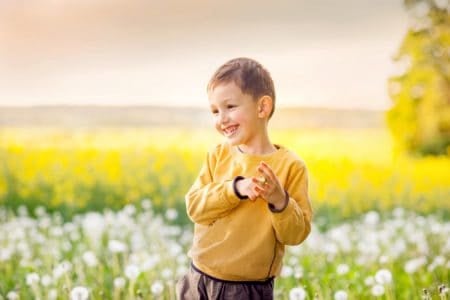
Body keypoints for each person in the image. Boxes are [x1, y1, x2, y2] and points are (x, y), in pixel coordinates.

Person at [176, 57, 313, 300]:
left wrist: (280, 201)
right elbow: (195, 206)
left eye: (230, 107)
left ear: (262, 108)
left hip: (247, 289)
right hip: (198, 278)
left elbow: (295, 235)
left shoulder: (290, 165)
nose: (221, 119)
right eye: (215, 111)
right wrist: (235, 189)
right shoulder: (218, 155)